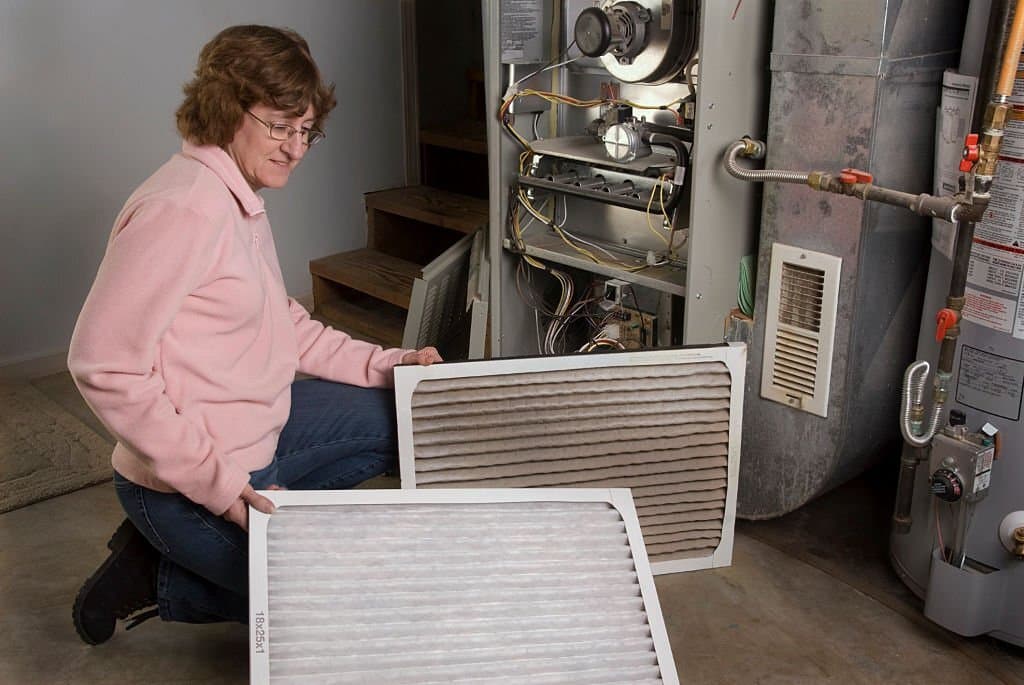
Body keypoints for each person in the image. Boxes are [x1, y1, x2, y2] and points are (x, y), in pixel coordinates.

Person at [67, 24, 441, 645]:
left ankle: (262, 534)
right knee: (344, 620)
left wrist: (392, 364)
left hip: (259, 434)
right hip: (196, 482)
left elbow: (287, 327)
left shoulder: (235, 196)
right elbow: (103, 365)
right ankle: (160, 575)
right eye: (279, 126)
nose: (295, 148)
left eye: (306, 131)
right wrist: (220, 489)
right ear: (226, 108)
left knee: (401, 414)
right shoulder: (182, 209)